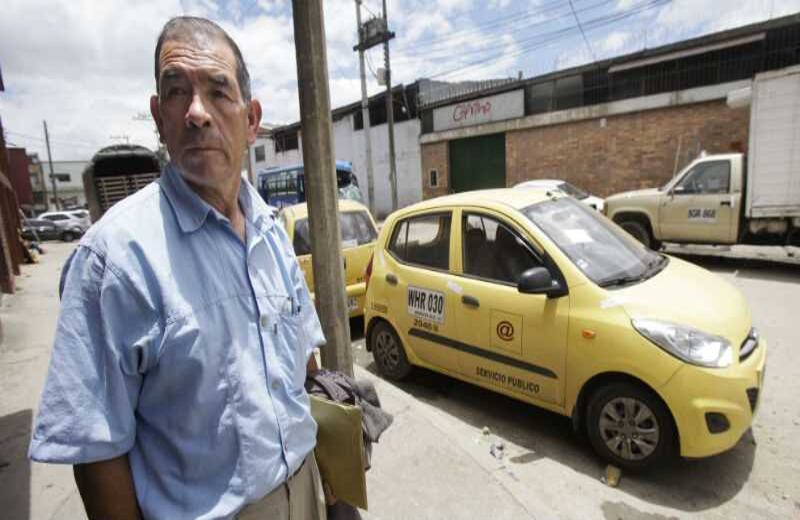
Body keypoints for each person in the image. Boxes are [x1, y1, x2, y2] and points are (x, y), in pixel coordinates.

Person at [28, 16, 328, 520]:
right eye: (176, 93)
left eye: (217, 91)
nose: (196, 113)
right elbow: (98, 451)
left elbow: (305, 370)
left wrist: (334, 497)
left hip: (306, 491)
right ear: (158, 117)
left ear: (251, 119)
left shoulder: (272, 231)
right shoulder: (113, 259)